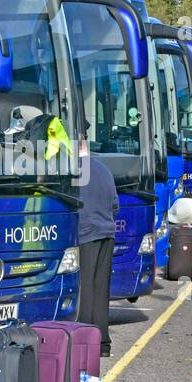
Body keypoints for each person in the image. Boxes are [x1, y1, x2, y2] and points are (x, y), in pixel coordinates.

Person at [76, 144, 119, 357]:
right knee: (101, 290)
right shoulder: (104, 169)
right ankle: (102, 343)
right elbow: (115, 205)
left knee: (85, 289)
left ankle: (84, 341)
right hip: (107, 234)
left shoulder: (74, 169)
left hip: (86, 233)